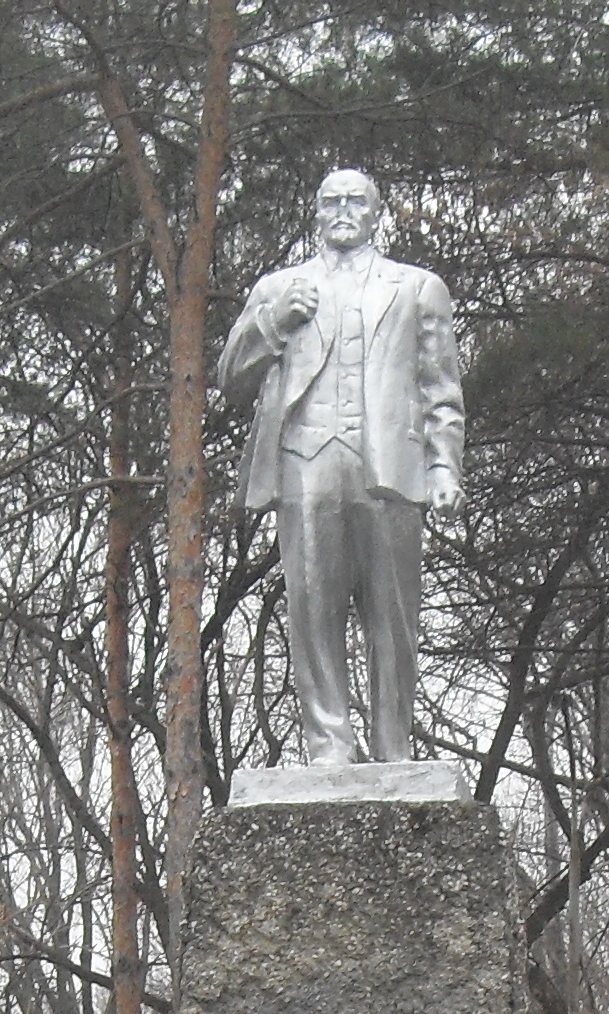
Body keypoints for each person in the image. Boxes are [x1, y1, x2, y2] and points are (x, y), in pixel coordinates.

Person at [219, 167, 465, 766]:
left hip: (389, 466)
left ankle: (392, 746)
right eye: (331, 201)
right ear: (316, 213)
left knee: (394, 614)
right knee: (311, 608)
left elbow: (441, 389)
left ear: (376, 213)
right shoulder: (280, 288)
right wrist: (273, 322)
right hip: (305, 461)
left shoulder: (417, 287)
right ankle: (328, 743)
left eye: (356, 201)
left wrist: (444, 467)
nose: (343, 211)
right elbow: (230, 379)